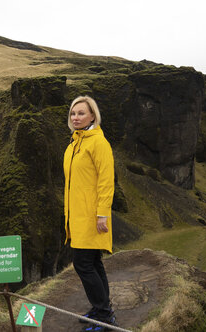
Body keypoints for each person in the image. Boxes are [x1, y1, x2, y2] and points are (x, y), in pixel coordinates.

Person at [63, 96, 117, 331]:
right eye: (73, 113)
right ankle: (102, 310)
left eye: (81, 113)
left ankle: (104, 315)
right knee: (93, 262)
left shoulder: (98, 143)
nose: (76, 117)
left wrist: (102, 214)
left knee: (83, 263)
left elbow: (106, 181)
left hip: (92, 216)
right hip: (77, 216)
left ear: (93, 116)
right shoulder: (74, 143)